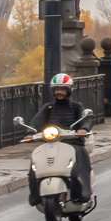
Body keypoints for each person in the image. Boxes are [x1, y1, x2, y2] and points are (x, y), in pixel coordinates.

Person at [27, 73, 93, 205]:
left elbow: (86, 119)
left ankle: (83, 193)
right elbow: (37, 120)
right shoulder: (48, 108)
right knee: (34, 166)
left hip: (73, 143)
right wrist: (30, 132)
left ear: (69, 90)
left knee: (80, 163)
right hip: (51, 142)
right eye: (56, 89)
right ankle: (35, 195)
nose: (59, 92)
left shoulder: (76, 106)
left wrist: (83, 129)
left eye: (62, 89)